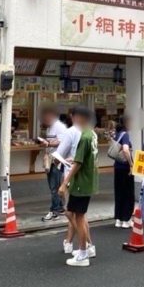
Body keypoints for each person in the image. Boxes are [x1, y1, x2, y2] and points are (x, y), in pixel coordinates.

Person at [60, 107, 99, 267]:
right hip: (88, 180)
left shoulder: (84, 137)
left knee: (78, 216)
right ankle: (86, 248)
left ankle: (84, 252)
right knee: (78, 215)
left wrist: (64, 183)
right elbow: (83, 159)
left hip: (80, 183)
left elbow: (79, 163)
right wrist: (74, 160)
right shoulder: (92, 134)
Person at [56, 107, 83, 254]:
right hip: (86, 178)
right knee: (77, 212)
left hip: (71, 175)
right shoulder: (90, 133)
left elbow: (59, 154)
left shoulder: (71, 132)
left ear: (72, 116)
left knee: (72, 212)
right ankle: (68, 242)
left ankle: (86, 244)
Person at [38, 106, 68, 222]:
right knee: (54, 185)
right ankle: (59, 208)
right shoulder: (49, 128)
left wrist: (48, 144)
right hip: (50, 159)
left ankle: (55, 210)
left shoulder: (59, 127)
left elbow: (62, 141)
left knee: (54, 186)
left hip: (57, 160)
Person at [111, 117, 134, 229]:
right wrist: (131, 164)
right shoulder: (125, 135)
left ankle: (118, 219)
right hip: (125, 168)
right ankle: (127, 219)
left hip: (117, 167)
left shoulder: (117, 134)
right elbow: (125, 149)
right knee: (128, 193)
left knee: (119, 193)